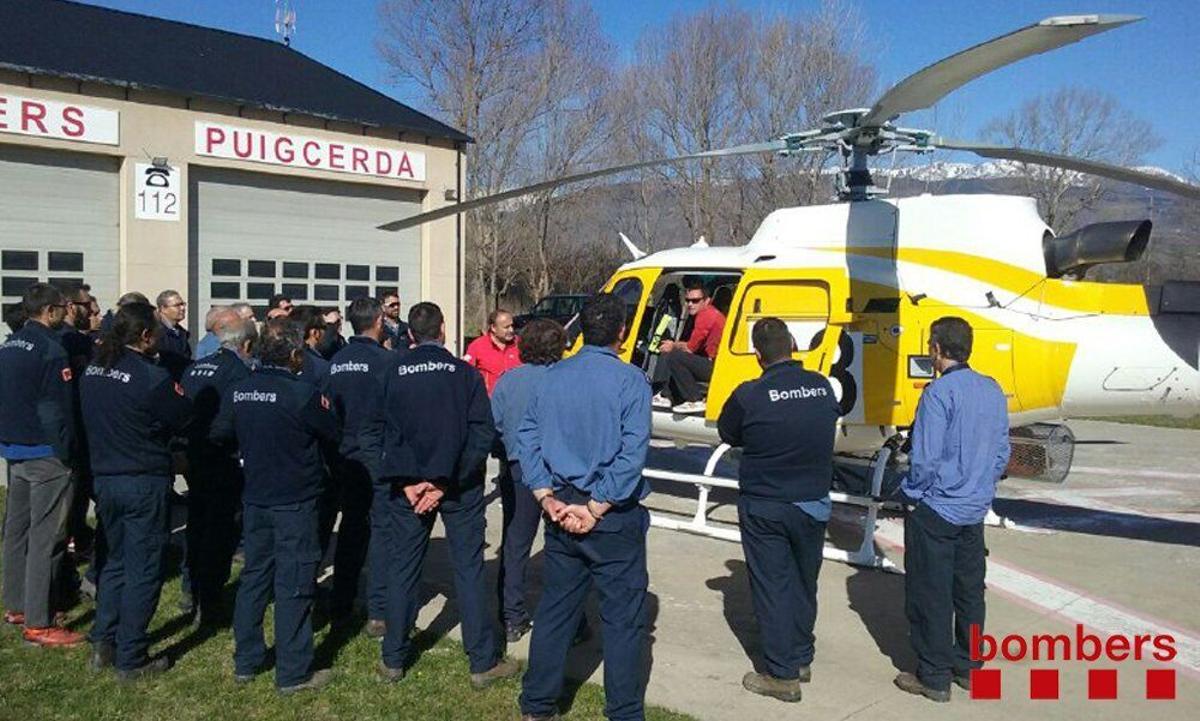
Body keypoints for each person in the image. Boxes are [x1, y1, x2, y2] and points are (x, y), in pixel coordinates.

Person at [517, 293, 652, 721]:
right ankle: (624, 712)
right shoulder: (630, 380)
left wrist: (547, 496)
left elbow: (527, 439)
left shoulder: (552, 376)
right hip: (605, 515)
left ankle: (537, 703)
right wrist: (587, 506)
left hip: (568, 508)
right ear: (622, 332)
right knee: (623, 621)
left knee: (557, 610)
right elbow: (632, 455)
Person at [375, 302, 518, 686]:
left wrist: (412, 480)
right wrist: (439, 481)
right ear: (441, 332)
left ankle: (393, 657)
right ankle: (482, 662)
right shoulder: (463, 373)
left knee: (403, 568)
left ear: (409, 335)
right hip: (453, 487)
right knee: (468, 569)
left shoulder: (391, 371)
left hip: (418, 486)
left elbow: (375, 432)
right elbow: (482, 433)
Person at [716, 318, 840, 703]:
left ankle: (782, 674)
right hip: (813, 503)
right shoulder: (821, 386)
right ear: (793, 347)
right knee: (804, 582)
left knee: (772, 586)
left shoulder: (749, 394)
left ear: (758, 355)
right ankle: (801, 656)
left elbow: (728, 432)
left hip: (766, 503)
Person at [212, 319, 338, 695]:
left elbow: (219, 434)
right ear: (296, 355)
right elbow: (333, 432)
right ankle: (293, 671)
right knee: (295, 583)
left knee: (255, 577)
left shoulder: (239, 390)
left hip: (256, 498)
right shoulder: (302, 394)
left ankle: (246, 660)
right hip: (294, 501)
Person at [893, 316, 1010, 703]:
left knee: (931, 592)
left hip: (939, 508)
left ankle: (934, 675)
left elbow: (924, 460)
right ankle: (970, 667)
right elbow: (1001, 453)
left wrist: (910, 490)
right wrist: (980, 485)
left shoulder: (938, 394)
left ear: (937, 350)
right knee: (970, 591)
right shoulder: (992, 390)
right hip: (974, 508)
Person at [81, 302, 193, 678]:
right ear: (146, 335)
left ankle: (103, 640)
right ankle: (131, 656)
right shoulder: (150, 376)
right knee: (144, 568)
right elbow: (181, 414)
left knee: (114, 561)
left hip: (106, 478)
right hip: (142, 478)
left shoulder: (94, 369)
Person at [0, 283, 83, 647]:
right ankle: (39, 621)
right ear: (49, 311)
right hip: (45, 454)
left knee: (16, 532)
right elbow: (56, 409)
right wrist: (68, 451)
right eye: (63, 308)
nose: (67, 312)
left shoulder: (10, 345)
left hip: (14, 450)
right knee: (47, 537)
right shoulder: (52, 350)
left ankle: (17, 604)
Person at [489, 319, 566, 642]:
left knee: (516, 544)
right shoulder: (564, 381)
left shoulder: (509, 381)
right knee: (562, 548)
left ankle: (511, 615)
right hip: (558, 471)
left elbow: (494, 424)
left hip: (518, 467)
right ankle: (568, 621)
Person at [180, 309, 256, 626]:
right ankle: (209, 601)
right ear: (247, 345)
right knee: (220, 531)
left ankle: (189, 588)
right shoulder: (238, 374)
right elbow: (233, 422)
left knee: (196, 525)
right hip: (221, 459)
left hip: (193, 455)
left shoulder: (195, 368)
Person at [325, 298, 392, 635]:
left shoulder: (334, 362)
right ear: (379, 320)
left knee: (351, 528)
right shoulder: (386, 362)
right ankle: (378, 610)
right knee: (380, 530)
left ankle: (341, 602)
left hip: (344, 455)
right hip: (375, 455)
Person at [652, 277, 726, 415]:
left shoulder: (706, 315)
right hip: (717, 363)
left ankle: (694, 399)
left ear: (707, 300)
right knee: (679, 357)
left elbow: (690, 348)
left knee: (674, 356)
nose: (690, 304)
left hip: (716, 366)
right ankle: (666, 396)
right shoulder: (711, 313)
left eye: (695, 301)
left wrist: (673, 345)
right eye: (688, 300)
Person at [463, 309, 520, 396]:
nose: (511, 330)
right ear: (493, 327)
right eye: (506, 327)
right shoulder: (477, 345)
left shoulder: (520, 344)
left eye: (512, 326)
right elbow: (465, 373)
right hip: (489, 401)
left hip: (516, 399)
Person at [154, 290, 191, 381]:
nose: (182, 308)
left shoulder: (181, 333)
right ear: (163, 309)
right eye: (177, 305)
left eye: (183, 304)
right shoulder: (156, 333)